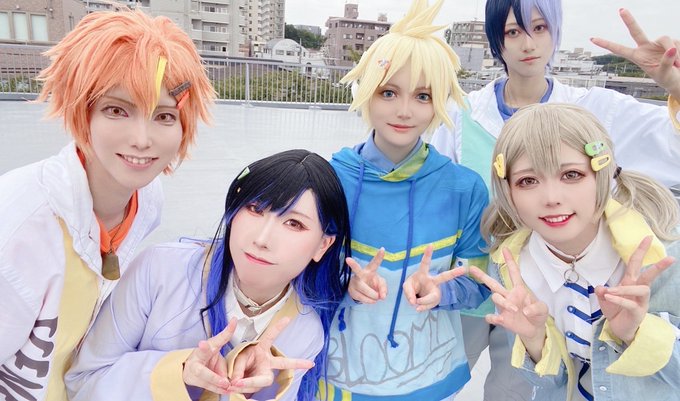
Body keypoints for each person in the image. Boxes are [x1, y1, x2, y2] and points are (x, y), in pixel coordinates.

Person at [429, 1, 680, 399]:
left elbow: (670, 145)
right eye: (513, 31)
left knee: (519, 385)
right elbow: (438, 198)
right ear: (496, 40)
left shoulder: (597, 108)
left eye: (540, 28)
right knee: (442, 378)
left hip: (554, 282)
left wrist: (676, 87)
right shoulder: (464, 115)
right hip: (481, 281)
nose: (528, 43)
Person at [0, 8, 214, 401]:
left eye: (164, 116)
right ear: (82, 112)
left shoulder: (146, 199)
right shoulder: (18, 226)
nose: (142, 139)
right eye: (117, 110)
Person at [65, 149, 352, 401]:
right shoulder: (159, 270)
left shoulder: (304, 331)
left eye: (294, 224)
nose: (262, 239)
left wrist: (259, 392)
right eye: (255, 209)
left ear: (323, 245)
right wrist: (179, 375)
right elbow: (82, 382)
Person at [321, 1, 491, 400]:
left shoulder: (465, 188)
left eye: (423, 96)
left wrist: (442, 292)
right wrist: (343, 282)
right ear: (366, 92)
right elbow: (300, 274)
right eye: (388, 92)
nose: (404, 110)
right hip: (340, 372)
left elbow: (478, 281)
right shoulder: (328, 178)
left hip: (426, 375)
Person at [469, 103, 680, 401]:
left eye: (571, 175)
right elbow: (549, 386)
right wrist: (534, 342)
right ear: (508, 191)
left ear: (601, 175)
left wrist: (637, 334)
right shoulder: (511, 266)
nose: (551, 198)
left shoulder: (665, 254)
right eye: (528, 181)